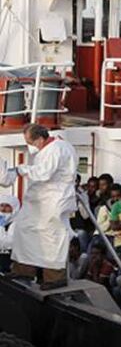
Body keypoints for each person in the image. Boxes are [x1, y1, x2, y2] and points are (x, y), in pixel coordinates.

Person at [0, 124, 78, 289]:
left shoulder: (57, 148)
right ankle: (24, 269)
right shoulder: (46, 149)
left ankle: (54, 276)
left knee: (51, 236)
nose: (30, 146)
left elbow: (44, 173)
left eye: (30, 141)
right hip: (39, 199)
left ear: (40, 138)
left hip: (55, 198)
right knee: (24, 228)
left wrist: (21, 169)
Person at [0, 195, 19, 273]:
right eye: (1, 205)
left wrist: (0, 227)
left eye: (7, 206)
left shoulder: (17, 223)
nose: (3, 209)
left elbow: (8, 243)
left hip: (9, 265)